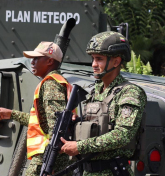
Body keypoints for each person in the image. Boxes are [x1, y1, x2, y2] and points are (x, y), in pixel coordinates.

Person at [60, 31, 147, 175]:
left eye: (99, 59)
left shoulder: (130, 92)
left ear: (116, 61)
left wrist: (80, 146)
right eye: (93, 59)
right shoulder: (95, 91)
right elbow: (98, 127)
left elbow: (122, 135)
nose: (94, 64)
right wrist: (76, 123)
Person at [0, 41, 73, 176]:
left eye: (36, 58)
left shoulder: (51, 84)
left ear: (50, 61)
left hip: (46, 157)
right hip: (47, 156)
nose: (32, 62)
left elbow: (57, 126)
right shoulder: (53, 82)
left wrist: (51, 163)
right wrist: (11, 114)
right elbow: (41, 122)